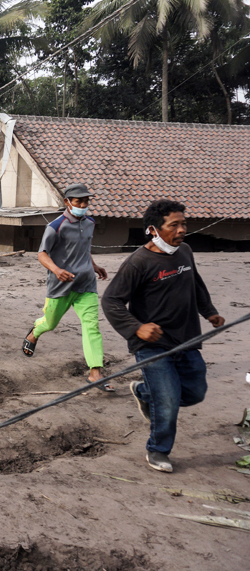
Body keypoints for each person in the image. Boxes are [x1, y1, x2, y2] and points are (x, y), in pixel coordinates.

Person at [101, 199, 224, 473]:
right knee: (167, 400)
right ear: (154, 230)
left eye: (184, 224)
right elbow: (111, 301)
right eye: (174, 225)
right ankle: (158, 450)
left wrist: (210, 312)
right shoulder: (138, 262)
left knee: (195, 392)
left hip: (187, 339)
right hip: (152, 344)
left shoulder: (185, 252)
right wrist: (137, 327)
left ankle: (145, 393)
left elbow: (196, 285)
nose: (181, 230)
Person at [22, 183, 113, 391]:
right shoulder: (55, 226)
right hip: (60, 286)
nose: (83, 205)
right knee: (50, 323)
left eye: (86, 201)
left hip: (86, 284)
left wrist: (94, 265)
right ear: (67, 202)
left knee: (92, 326)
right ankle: (34, 332)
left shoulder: (90, 222)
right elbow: (42, 254)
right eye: (78, 201)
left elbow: (83, 247)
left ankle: (95, 373)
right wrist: (56, 270)